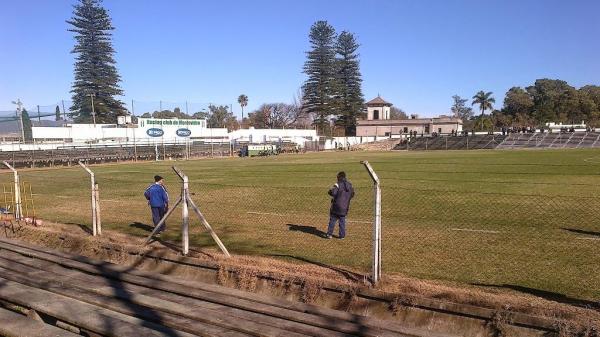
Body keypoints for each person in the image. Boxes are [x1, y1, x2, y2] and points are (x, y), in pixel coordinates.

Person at [326, 171, 355, 239]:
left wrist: (330, 191)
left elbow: (333, 193)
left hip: (336, 206)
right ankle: (342, 236)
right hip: (345, 207)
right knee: (342, 222)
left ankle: (329, 234)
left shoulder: (337, 184)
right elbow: (352, 194)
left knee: (332, 220)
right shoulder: (350, 185)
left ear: (339, 177)